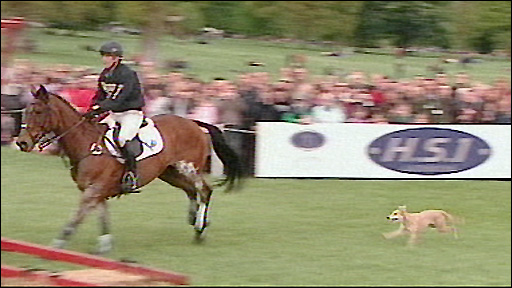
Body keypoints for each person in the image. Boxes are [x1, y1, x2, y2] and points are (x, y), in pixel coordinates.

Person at [84, 41, 145, 193]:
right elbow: (100, 95)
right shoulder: (105, 74)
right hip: (114, 113)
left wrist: (100, 108)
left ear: (117, 58)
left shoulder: (127, 74)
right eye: (104, 56)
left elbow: (119, 99)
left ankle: (132, 173)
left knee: (123, 139)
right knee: (93, 132)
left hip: (130, 113)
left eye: (108, 56)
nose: (105, 59)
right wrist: (91, 110)